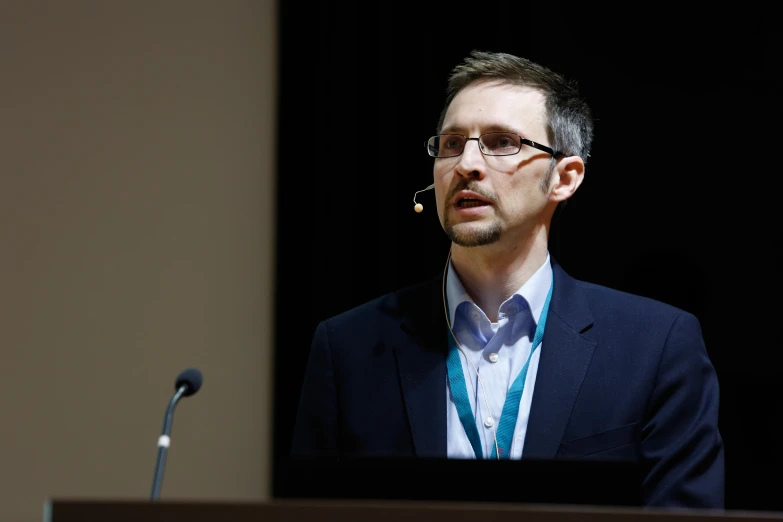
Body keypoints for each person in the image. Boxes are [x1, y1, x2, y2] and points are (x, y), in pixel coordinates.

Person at [291, 50, 724, 508]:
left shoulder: (655, 347)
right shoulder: (348, 347)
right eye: (452, 144)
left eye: (502, 143)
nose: (466, 165)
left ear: (564, 178)